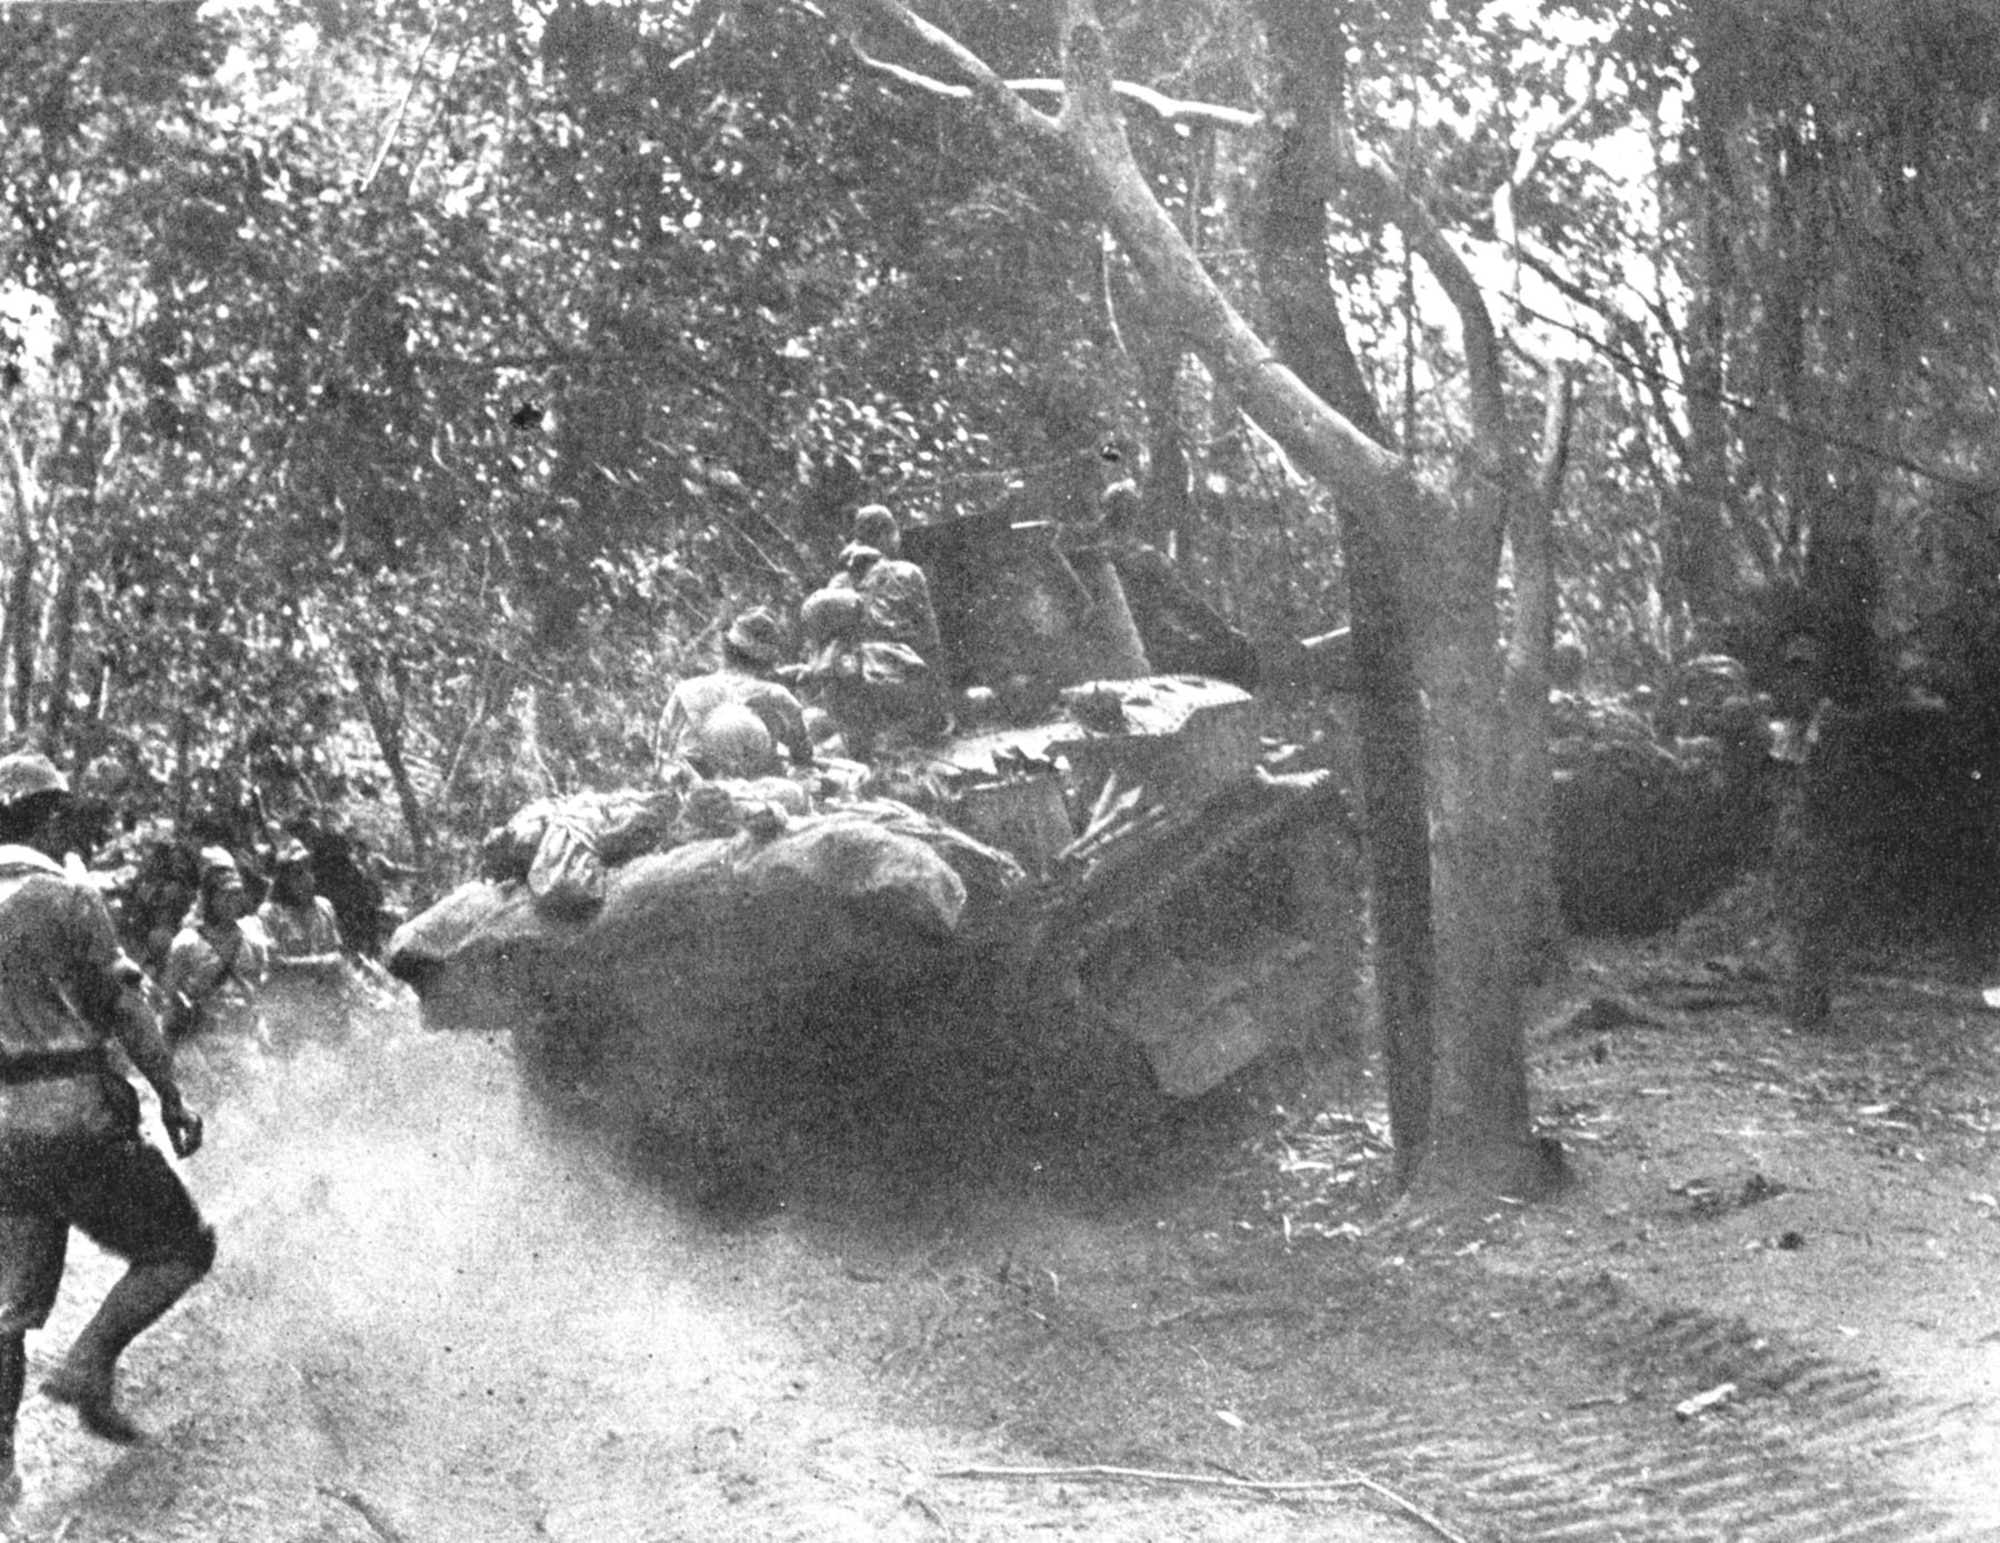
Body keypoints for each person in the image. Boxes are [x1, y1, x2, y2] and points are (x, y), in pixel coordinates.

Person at [0, 753, 212, 1506]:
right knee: (183, 1246)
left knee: (9, 1308)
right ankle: (90, 1359)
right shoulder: (67, 898)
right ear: (50, 819)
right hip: (75, 1117)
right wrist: (171, 1097)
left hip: (2, 1134)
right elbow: (127, 1010)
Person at [800, 504, 948, 759]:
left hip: (847, 680)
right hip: (894, 679)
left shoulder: (838, 582)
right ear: (885, 536)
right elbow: (929, 638)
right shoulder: (907, 572)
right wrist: (940, 698)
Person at [655, 607, 813, 780]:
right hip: (757, 793)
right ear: (766, 659)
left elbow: (663, 757)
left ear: (726, 649)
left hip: (697, 790)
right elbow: (802, 755)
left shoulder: (686, 690)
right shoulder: (777, 696)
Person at [158, 847, 270, 1048]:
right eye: (225, 895)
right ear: (210, 898)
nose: (232, 902)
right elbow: (171, 1001)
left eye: (236, 894)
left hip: (244, 1043)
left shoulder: (253, 937)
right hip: (203, 1045)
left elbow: (260, 991)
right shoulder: (187, 942)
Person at [255, 838, 351, 1049]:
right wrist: (318, 964)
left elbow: (338, 954)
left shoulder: (323, 907)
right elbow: (272, 963)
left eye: (308, 870)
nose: (307, 878)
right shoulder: (270, 913)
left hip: (325, 1006)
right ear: (283, 879)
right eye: (298, 873)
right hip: (289, 1009)